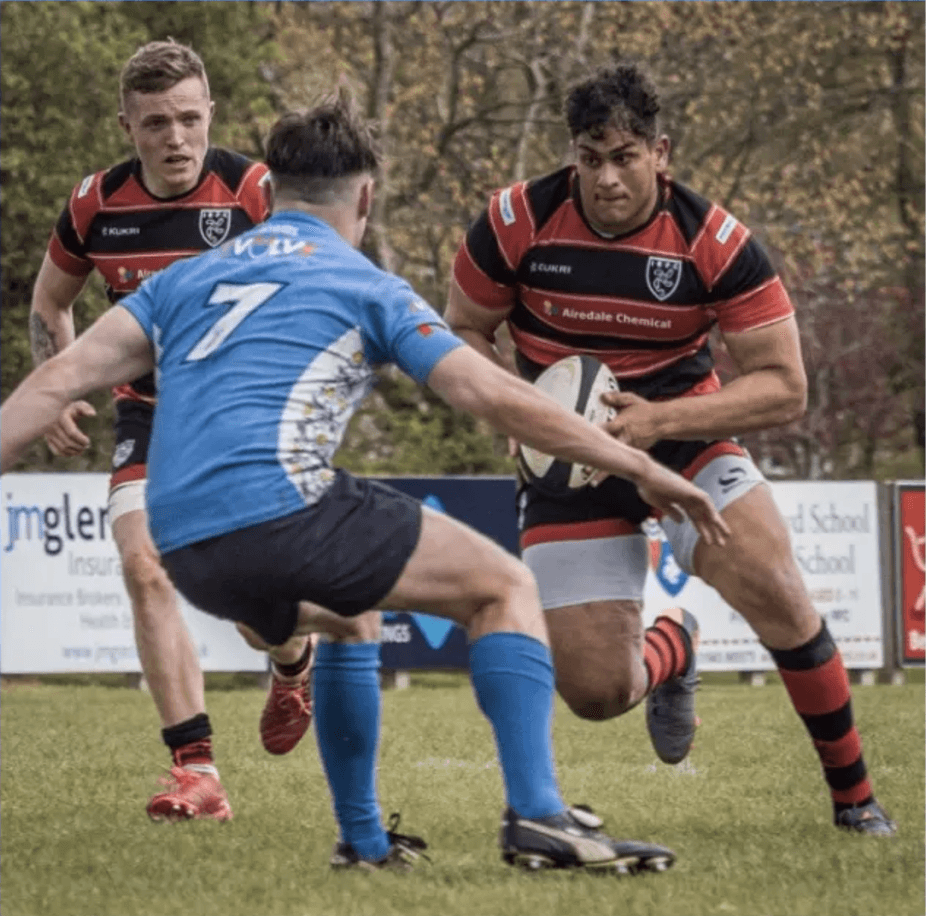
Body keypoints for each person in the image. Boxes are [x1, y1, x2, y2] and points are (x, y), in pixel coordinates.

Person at [1, 92, 733, 872]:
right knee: (505, 588)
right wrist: (647, 466)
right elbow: (494, 396)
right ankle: (541, 818)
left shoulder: (183, 281)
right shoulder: (366, 283)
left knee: (349, 618)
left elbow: (56, 381)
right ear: (366, 198)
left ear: (270, 193)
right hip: (276, 509)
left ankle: (364, 841)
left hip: (179, 539)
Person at [445, 63, 896, 837]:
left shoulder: (714, 241)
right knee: (593, 693)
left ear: (662, 153)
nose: (608, 178)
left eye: (625, 157)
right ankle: (673, 647)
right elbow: (462, 329)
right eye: (591, 159)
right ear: (573, 156)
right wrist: (521, 412)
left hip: (679, 437)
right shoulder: (517, 220)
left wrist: (656, 423)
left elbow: (785, 387)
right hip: (566, 461)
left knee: (777, 591)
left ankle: (855, 800)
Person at [27, 38, 315, 822]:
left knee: (251, 606)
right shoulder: (96, 204)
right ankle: (197, 772)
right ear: (127, 124)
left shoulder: (256, 190)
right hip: (148, 414)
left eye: (190, 119)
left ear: (211, 113)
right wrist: (56, 387)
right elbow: (51, 301)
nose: (177, 139)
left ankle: (293, 662)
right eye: (157, 123)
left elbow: (315, 287)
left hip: (243, 418)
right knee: (145, 567)